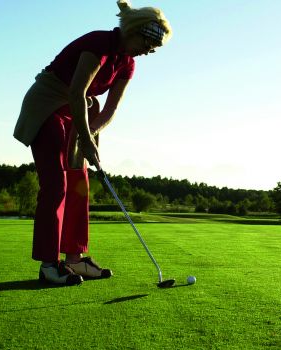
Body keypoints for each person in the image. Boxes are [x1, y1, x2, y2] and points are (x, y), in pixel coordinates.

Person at [13, 0, 172, 285]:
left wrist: (90, 136)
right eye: (148, 43)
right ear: (134, 32)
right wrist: (86, 138)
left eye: (153, 48)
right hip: (48, 105)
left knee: (79, 185)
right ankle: (49, 265)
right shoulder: (100, 43)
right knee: (56, 185)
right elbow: (77, 91)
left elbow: (110, 110)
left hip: (79, 115)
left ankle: (75, 260)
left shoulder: (128, 64)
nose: (149, 51)